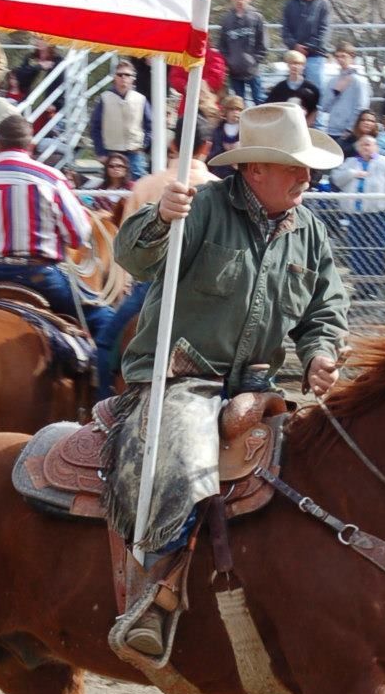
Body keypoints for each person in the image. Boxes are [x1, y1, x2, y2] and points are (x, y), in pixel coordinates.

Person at [112, 101, 348, 659]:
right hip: (180, 380)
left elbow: (324, 309)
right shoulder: (202, 209)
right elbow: (134, 259)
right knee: (188, 457)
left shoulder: (308, 233)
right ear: (255, 169)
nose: (306, 178)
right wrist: (161, 218)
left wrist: (319, 354)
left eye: (307, 168)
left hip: (258, 385)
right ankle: (157, 592)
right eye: (295, 167)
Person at [0, 112, 112, 343]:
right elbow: (78, 235)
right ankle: (101, 376)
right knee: (103, 319)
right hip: (39, 276)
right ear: (30, 144)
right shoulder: (50, 178)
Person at [94, 131, 216, 393]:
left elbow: (125, 246)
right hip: (206, 294)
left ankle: (101, 411)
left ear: (173, 145)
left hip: (151, 286)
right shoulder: (220, 188)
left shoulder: (147, 185)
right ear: (206, 147)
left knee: (104, 344)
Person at [334, 118, 385, 298]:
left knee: (377, 249)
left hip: (378, 214)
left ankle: (373, 286)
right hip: (356, 214)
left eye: (370, 144)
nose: (366, 147)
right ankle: (361, 286)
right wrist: (353, 174)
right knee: (357, 250)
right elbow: (337, 178)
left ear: (376, 147)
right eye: (363, 144)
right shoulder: (351, 162)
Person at [88, 59, 151, 180]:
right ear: (114, 77)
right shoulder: (104, 98)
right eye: (120, 74)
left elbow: (150, 125)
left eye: (127, 75)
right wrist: (100, 152)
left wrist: (144, 144)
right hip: (111, 151)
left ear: (133, 78)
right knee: (112, 186)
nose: (123, 77)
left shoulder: (141, 99)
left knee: (137, 185)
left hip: (134, 152)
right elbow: (95, 127)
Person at [279, 0, 333, 97]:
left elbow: (325, 30)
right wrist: (294, 45)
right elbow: (285, 29)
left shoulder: (323, 4)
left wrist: (309, 47)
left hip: (315, 56)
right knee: (294, 93)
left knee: (314, 92)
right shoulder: (290, 4)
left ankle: (315, 116)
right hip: (295, 56)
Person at [217, 0, 268, 103]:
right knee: (238, 103)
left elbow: (263, 43)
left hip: (253, 70)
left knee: (259, 100)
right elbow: (222, 45)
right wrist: (228, 62)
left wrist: (254, 60)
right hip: (234, 71)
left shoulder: (257, 18)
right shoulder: (226, 20)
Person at [321, 42, 373, 147]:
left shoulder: (360, 81)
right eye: (338, 57)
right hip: (332, 129)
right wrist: (336, 91)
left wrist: (349, 129)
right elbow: (324, 106)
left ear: (352, 57)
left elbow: (362, 107)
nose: (340, 60)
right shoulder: (332, 81)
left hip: (350, 132)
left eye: (344, 56)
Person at [267, 49, 320, 118]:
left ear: (303, 66)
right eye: (291, 63)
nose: (294, 66)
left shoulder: (311, 88)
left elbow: (314, 111)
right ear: (288, 65)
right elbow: (269, 108)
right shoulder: (279, 88)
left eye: (298, 64)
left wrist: (305, 126)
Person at [11, 38, 62, 109]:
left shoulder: (58, 61)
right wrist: (38, 67)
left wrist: (55, 104)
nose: (39, 41)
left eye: (42, 39)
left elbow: (60, 83)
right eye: (37, 38)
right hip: (28, 100)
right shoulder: (30, 57)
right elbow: (20, 76)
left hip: (47, 104)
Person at [208, 91, 244, 164]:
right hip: (221, 167)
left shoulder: (245, 129)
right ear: (225, 111)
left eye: (239, 110)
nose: (236, 112)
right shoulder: (218, 130)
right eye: (232, 109)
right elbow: (213, 152)